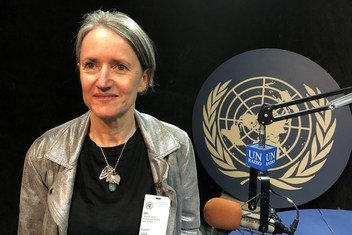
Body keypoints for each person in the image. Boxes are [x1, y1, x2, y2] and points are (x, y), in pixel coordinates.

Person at [18, 9, 201, 235]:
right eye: (91, 65)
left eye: (119, 66)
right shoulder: (43, 154)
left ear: (144, 79)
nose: (102, 81)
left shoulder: (176, 146)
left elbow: (188, 229)